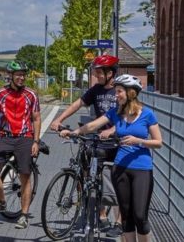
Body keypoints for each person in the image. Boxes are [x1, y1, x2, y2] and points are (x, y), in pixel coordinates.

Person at [60, 74, 162, 242]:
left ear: (131, 93)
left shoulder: (147, 115)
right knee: (126, 216)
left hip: (142, 169)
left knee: (140, 216)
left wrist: (139, 141)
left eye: (119, 91)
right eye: (116, 91)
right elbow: (94, 125)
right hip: (120, 168)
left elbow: (158, 142)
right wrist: (74, 132)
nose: (116, 95)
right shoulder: (116, 113)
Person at [50, 54, 122, 236]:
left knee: (118, 181)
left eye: (99, 72)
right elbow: (77, 104)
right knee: (93, 175)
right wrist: (59, 118)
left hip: (118, 142)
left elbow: (128, 116)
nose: (97, 76)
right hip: (99, 140)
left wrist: (113, 130)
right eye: (96, 72)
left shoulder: (120, 91)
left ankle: (120, 221)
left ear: (110, 73)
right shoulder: (96, 90)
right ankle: (102, 215)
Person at [0, 61, 41, 229]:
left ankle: (24, 215)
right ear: (10, 76)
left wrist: (36, 141)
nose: (21, 78)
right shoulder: (1, 93)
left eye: (23, 75)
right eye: (18, 75)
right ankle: (2, 201)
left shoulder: (31, 94)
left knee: (24, 176)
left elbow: (37, 118)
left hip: (25, 138)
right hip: (5, 137)